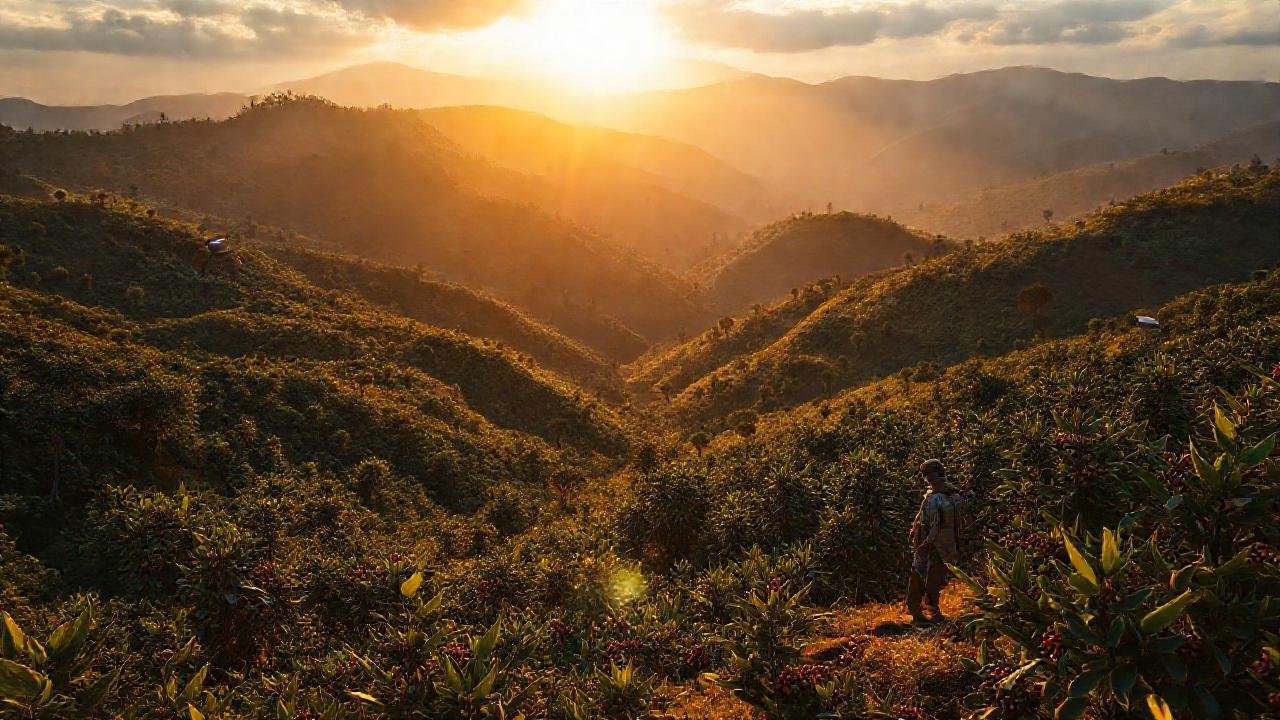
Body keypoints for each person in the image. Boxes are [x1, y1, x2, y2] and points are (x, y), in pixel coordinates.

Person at [907, 458, 958, 625]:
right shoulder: (952, 496)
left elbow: (933, 524)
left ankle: (922, 611)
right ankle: (924, 611)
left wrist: (924, 543)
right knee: (931, 577)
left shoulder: (937, 498)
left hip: (934, 544)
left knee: (924, 575)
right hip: (943, 544)